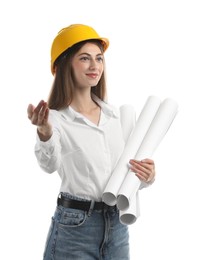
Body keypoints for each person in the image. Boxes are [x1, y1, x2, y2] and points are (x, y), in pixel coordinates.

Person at [27, 24, 156, 260]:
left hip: (117, 225)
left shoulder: (115, 116)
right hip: (75, 228)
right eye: (85, 58)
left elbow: (126, 173)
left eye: (99, 58)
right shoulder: (56, 119)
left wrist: (146, 176)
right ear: (65, 64)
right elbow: (49, 165)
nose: (95, 66)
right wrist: (44, 132)